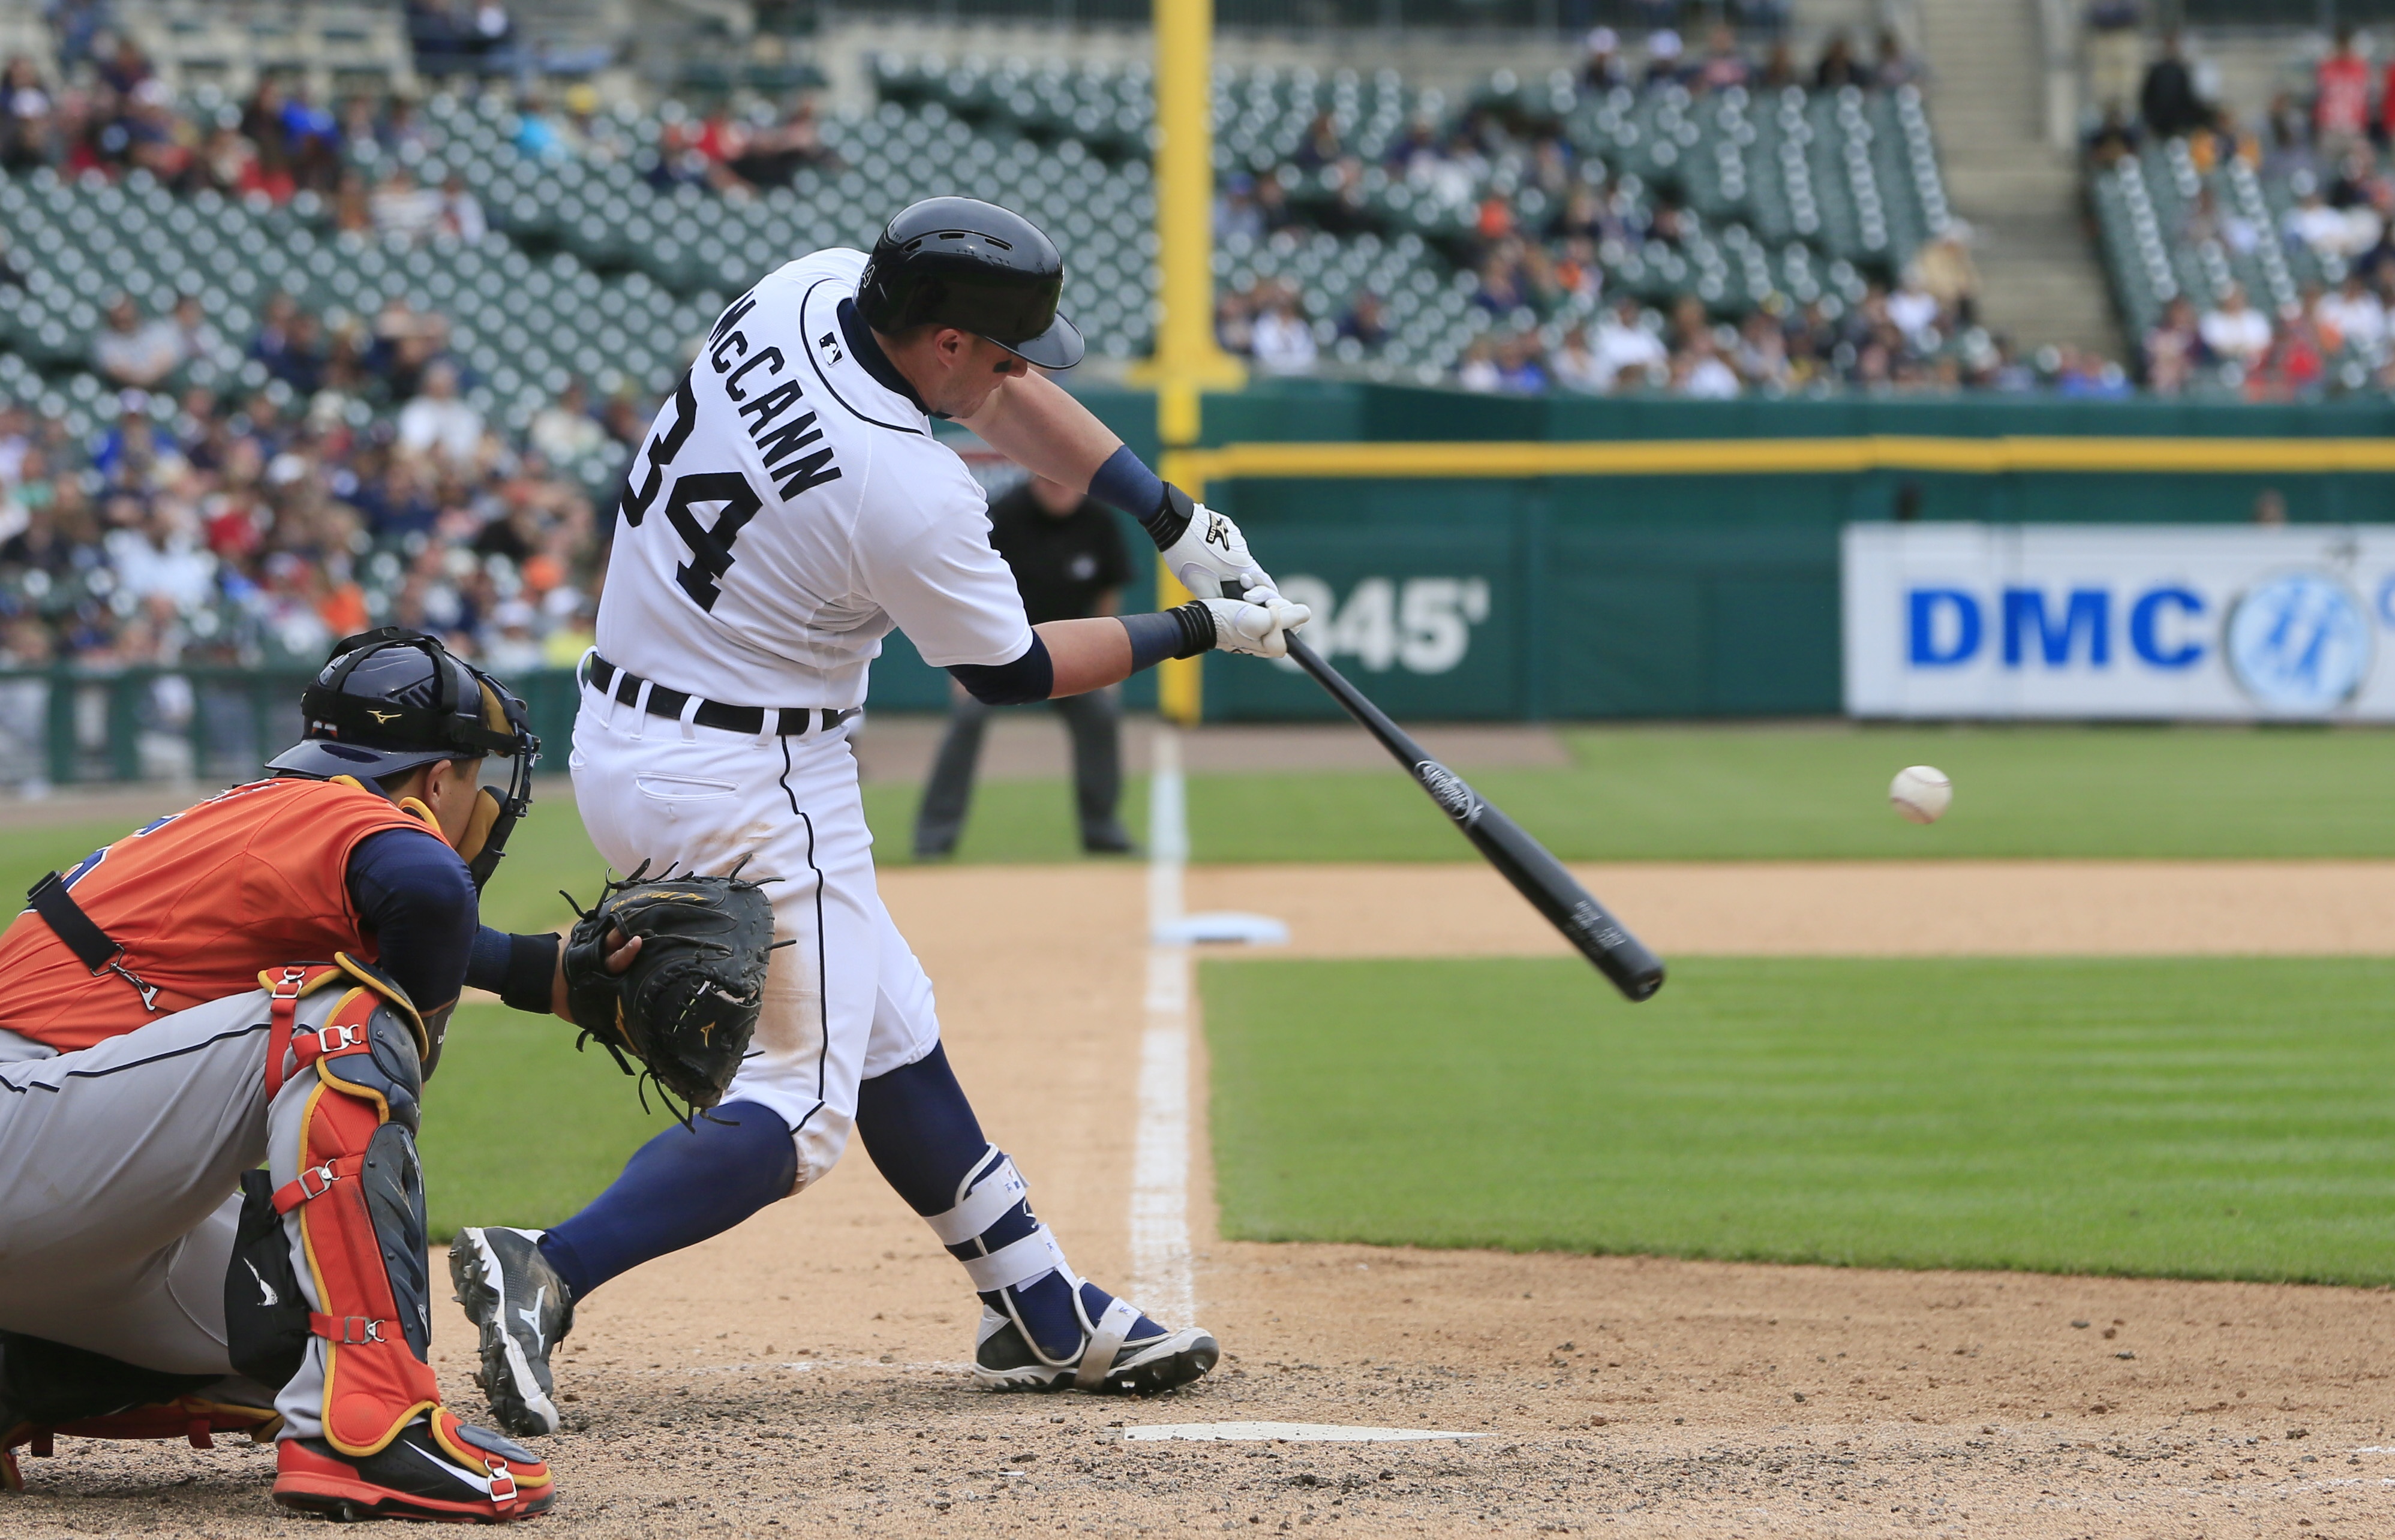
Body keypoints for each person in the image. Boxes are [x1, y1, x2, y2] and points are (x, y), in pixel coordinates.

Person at [443, 197, 1308, 1439]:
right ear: (945, 341)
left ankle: (1034, 1304)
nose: (1016, 374)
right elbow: (1004, 672)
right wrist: (1196, 630)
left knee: (888, 1021)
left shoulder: (817, 284)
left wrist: (1169, 517)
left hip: (631, 727)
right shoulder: (905, 490)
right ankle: (546, 1266)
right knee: (798, 1108)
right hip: (750, 772)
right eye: (1002, 348)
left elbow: (1000, 399)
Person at [0, 629, 640, 1520]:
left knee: (302, 1317)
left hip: (45, 1187)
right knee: (343, 1021)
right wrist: (420, 1013)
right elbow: (427, 892)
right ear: (435, 779)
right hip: (20, 1136)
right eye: (477, 773)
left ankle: (27, 1360)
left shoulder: (268, 814)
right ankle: (371, 1430)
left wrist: (546, 975)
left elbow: (413, 923)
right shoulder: (348, 815)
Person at [913, 474, 1137, 859]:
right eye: (1047, 481)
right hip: (1000, 649)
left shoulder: (1098, 519)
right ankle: (934, 837)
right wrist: (964, 666)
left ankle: (1102, 829)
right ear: (1033, 478)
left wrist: (1105, 661)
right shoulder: (1004, 515)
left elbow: (1109, 588)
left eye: (1063, 481)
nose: (1057, 488)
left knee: (1100, 712)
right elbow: (966, 592)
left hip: (1071, 650)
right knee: (968, 720)